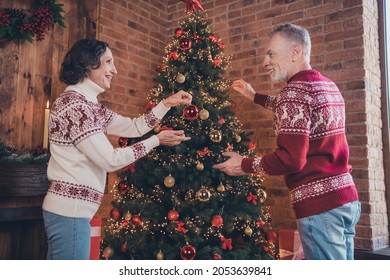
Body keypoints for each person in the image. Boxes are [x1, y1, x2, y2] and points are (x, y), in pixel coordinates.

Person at [213, 24, 361, 260]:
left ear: (295, 52)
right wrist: (254, 96)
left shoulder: (294, 93)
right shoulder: (327, 86)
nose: (265, 62)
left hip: (320, 207)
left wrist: (244, 164)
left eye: (271, 54)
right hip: (346, 201)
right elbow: (295, 109)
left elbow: (292, 159)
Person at [42, 39, 192, 260]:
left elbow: (135, 126)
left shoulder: (90, 105)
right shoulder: (77, 106)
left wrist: (166, 104)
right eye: (108, 62)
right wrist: (156, 141)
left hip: (71, 213)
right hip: (70, 213)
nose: (115, 70)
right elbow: (110, 160)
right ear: (88, 64)